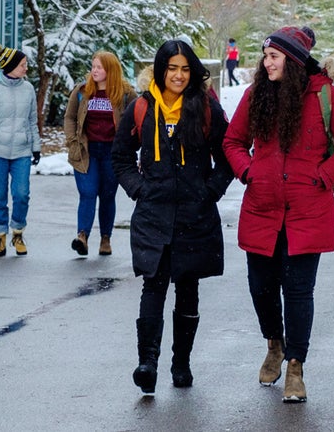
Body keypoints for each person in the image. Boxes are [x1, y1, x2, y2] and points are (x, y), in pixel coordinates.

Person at [222, 27, 334, 403]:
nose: (265, 62)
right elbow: (232, 141)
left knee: (299, 292)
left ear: (294, 60)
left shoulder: (325, 96)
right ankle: (274, 342)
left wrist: (322, 176)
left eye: (273, 56)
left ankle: (296, 367)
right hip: (262, 209)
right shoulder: (255, 95)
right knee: (261, 289)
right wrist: (248, 171)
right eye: (265, 56)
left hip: (308, 212)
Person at [112, 39, 235, 395]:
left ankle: (181, 362)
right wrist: (138, 188)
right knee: (153, 284)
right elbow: (120, 157)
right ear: (160, 70)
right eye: (172, 68)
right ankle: (147, 361)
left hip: (195, 216)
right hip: (153, 214)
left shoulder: (206, 108)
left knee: (188, 289)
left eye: (184, 68)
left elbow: (228, 155)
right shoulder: (141, 108)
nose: (179, 75)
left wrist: (210, 191)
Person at [63, 51, 138, 256]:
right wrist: (72, 141)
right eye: (93, 66)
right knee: (87, 193)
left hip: (112, 153)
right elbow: (70, 118)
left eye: (99, 67)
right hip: (86, 151)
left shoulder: (125, 94)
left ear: (110, 70)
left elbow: (137, 119)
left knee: (107, 195)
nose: (94, 71)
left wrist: (131, 143)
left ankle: (106, 238)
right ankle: (82, 236)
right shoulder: (82, 91)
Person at [0, 43, 41, 257]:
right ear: (10, 66)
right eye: (22, 65)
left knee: (22, 194)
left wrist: (36, 147)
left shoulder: (28, 89)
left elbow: (33, 121)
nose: (26, 68)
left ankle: (18, 232)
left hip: (21, 151)